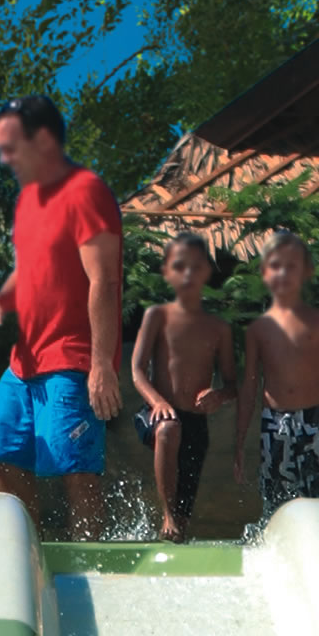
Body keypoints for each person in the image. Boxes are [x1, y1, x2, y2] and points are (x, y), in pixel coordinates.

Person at [0, 95, 123, 539]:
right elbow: (29, 268)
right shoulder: (28, 201)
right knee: (0, 453)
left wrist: (101, 364)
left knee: (74, 470)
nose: (5, 159)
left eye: (11, 147)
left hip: (72, 358)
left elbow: (104, 280)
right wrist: (0, 300)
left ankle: (92, 565)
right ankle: (29, 551)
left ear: (42, 140)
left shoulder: (86, 192)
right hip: (25, 361)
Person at [130, 232, 233, 541]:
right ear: (167, 271)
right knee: (168, 428)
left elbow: (232, 385)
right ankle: (167, 515)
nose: (187, 274)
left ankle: (176, 527)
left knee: (184, 515)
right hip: (156, 413)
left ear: (206, 271)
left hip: (195, 422)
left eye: (195, 266)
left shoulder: (218, 328)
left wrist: (219, 395)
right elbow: (137, 370)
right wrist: (158, 402)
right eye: (179, 266)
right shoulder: (157, 316)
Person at [234, 228, 319, 523]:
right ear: (264, 272)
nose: (283, 273)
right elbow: (250, 386)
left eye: (291, 266)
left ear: (307, 271)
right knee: (276, 503)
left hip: (314, 422)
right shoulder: (259, 329)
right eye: (275, 265)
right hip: (275, 424)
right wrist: (239, 441)